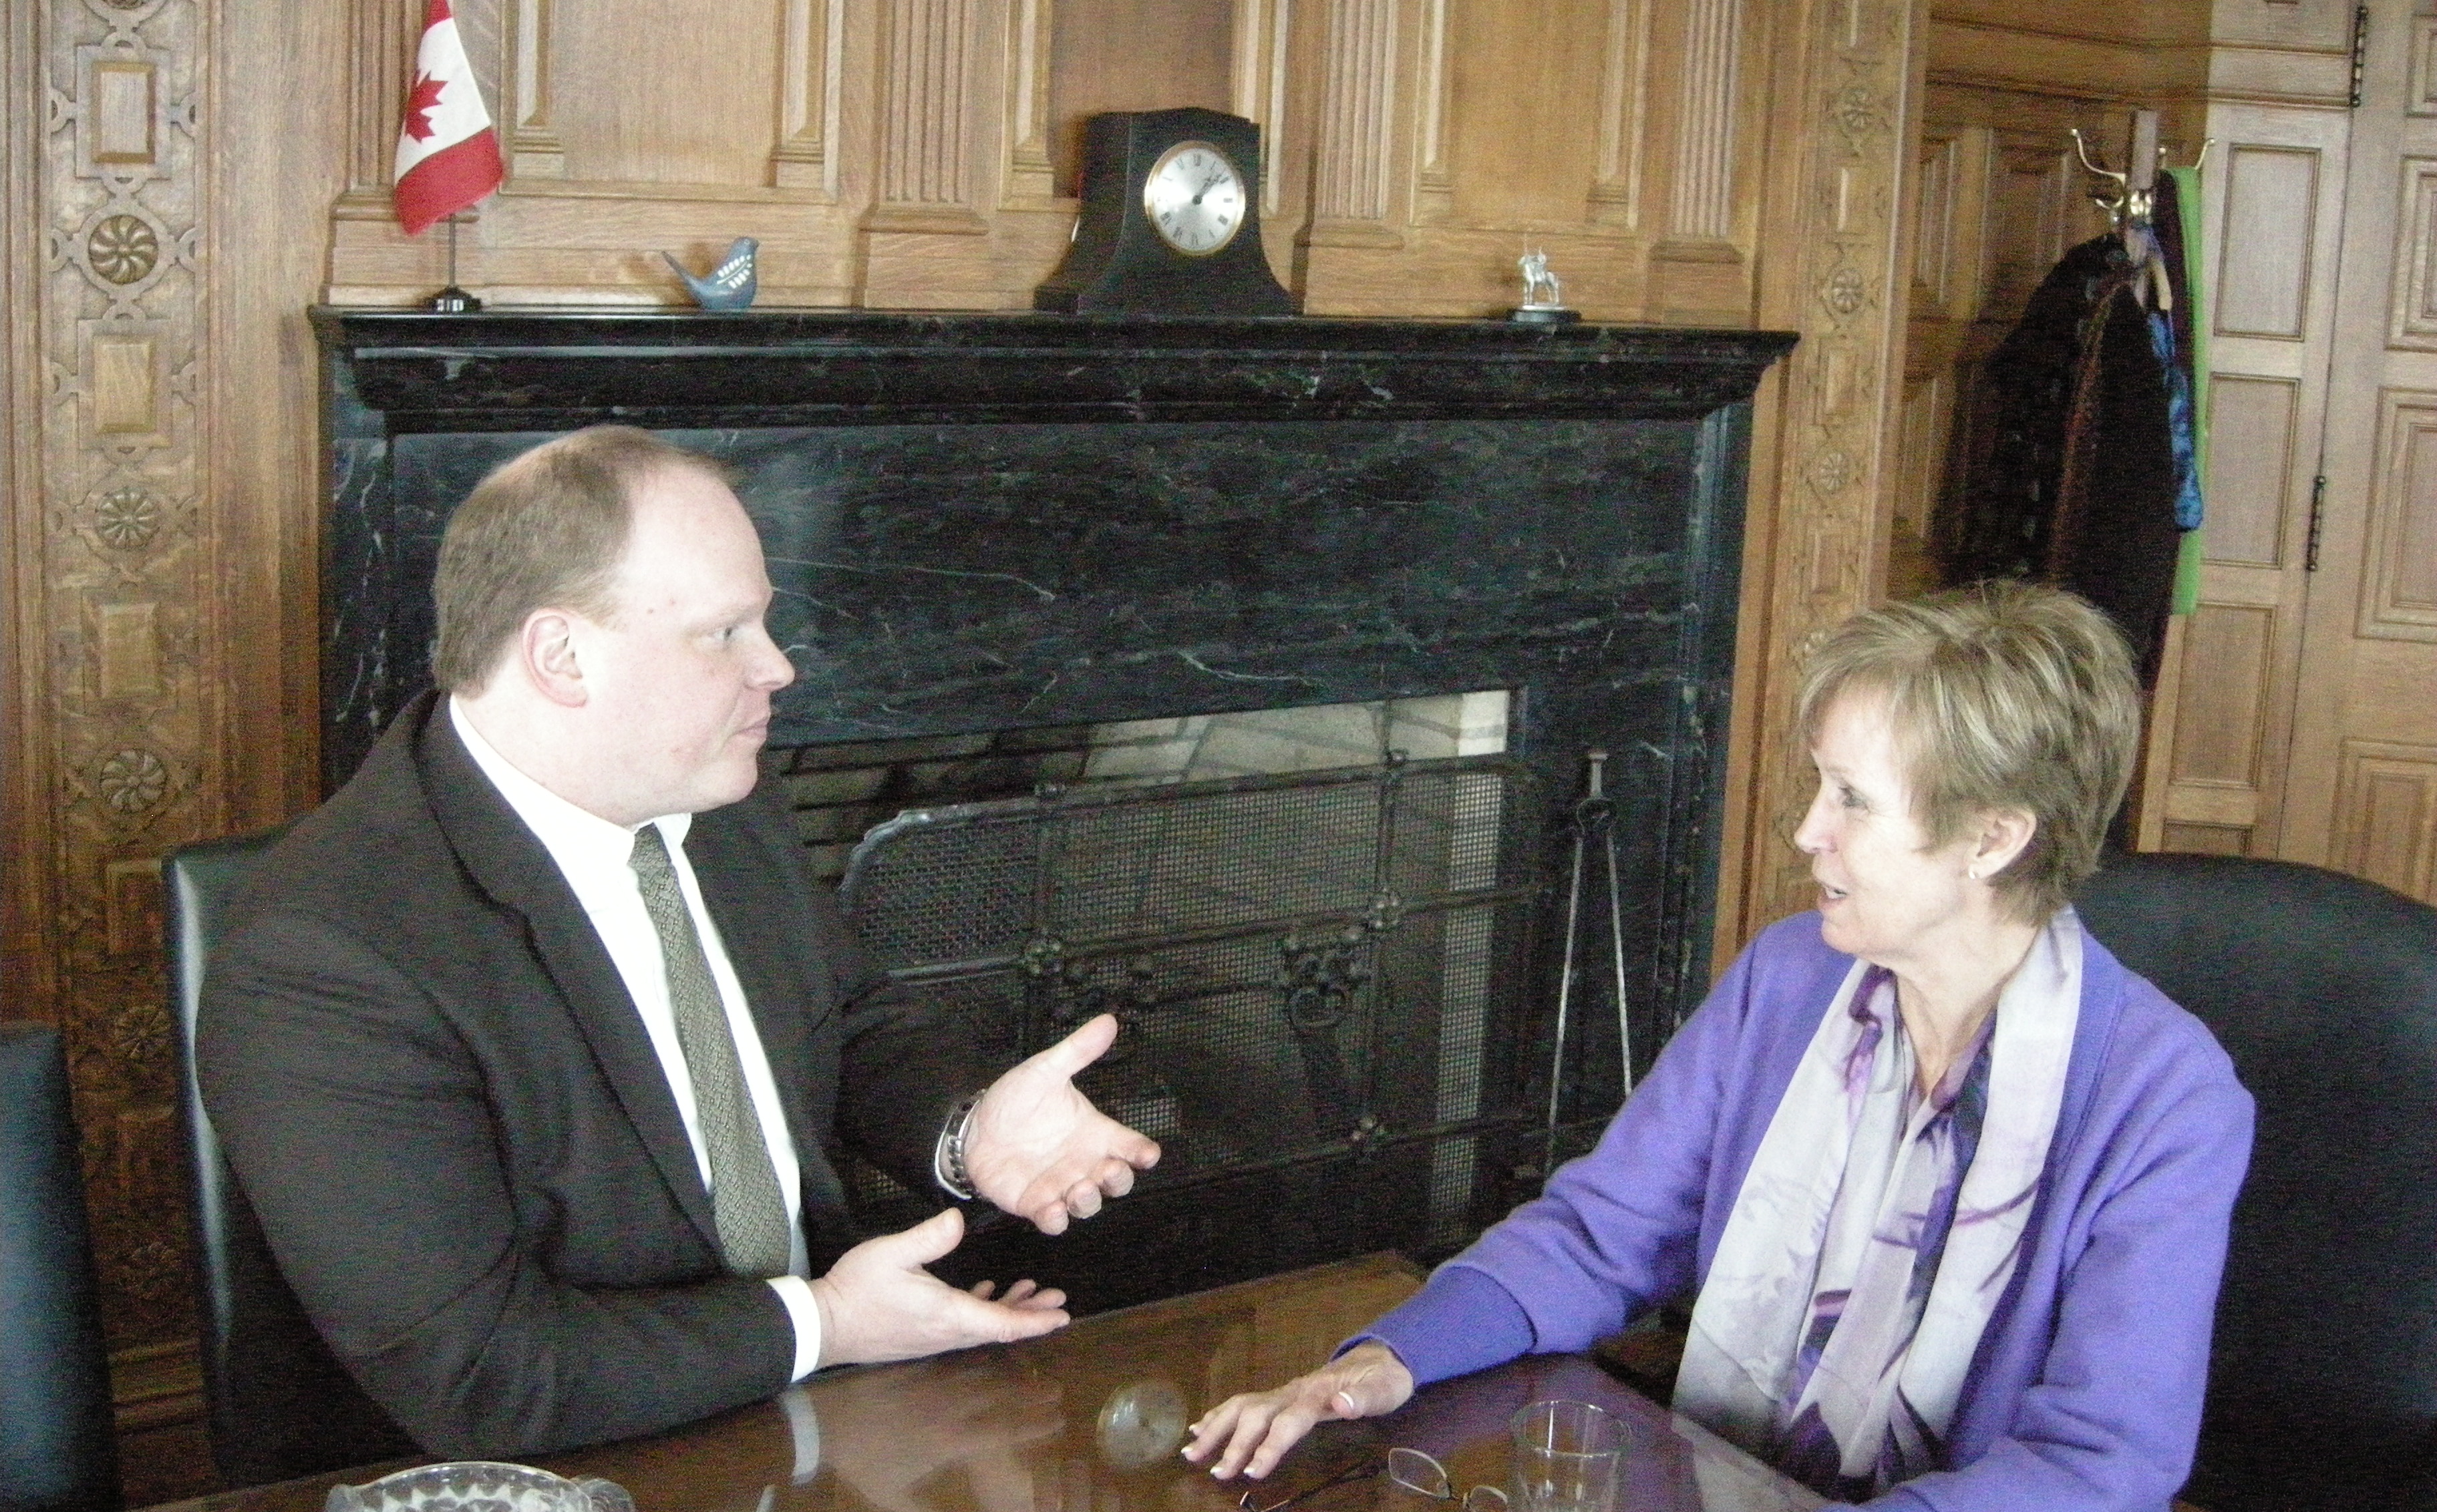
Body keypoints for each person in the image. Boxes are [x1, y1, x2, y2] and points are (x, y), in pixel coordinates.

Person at [198, 426, 1161, 1458]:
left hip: (815, 1413)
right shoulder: (327, 960)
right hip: (549, 1469)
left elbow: (846, 1016)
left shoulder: (716, 797)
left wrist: (966, 1132)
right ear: (561, 655)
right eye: (725, 633)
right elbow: (480, 1375)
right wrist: (825, 1324)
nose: (777, 668)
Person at [1186, 584, 2254, 1509]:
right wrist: (1385, 1361)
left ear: (1994, 837)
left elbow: (2100, 1467)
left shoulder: (2166, 1098)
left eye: (1851, 800)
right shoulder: (1792, 978)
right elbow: (1605, 1234)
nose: (1805, 833)